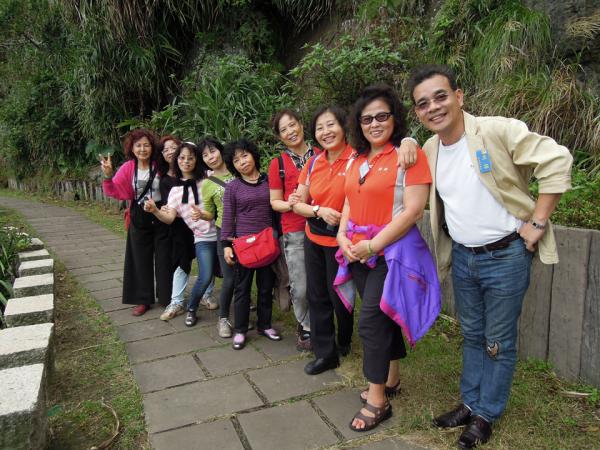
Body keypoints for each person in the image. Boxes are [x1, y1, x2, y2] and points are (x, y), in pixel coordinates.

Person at [408, 64, 573, 449]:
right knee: (471, 334)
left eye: (440, 97)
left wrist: (538, 221)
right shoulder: (430, 148)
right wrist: (407, 142)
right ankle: (470, 403)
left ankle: (486, 414)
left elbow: (557, 159)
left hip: (506, 256)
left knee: (497, 340)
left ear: (459, 96)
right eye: (423, 103)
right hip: (463, 257)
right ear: (417, 112)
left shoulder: (496, 130)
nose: (433, 107)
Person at [337, 84, 438, 432]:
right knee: (385, 315)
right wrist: (342, 236)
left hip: (391, 253)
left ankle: (378, 400)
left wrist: (373, 245)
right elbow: (348, 201)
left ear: (395, 118)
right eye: (367, 119)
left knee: (370, 323)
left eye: (382, 116)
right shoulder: (357, 158)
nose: (375, 124)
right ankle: (392, 379)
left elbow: (413, 211)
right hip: (358, 251)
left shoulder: (408, 155)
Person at [288, 105, 355, 373]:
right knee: (317, 296)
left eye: (331, 125)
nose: (325, 132)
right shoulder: (314, 162)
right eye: (319, 128)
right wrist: (319, 210)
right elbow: (298, 204)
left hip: (342, 242)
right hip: (314, 237)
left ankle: (345, 339)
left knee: (341, 297)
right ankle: (325, 353)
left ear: (344, 126)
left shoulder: (357, 159)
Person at [144, 142, 217, 327]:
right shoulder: (175, 191)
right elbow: (169, 218)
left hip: (222, 232)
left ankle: (217, 299)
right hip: (200, 237)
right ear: (176, 160)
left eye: (190, 158)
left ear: (197, 160)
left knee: (231, 272)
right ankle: (182, 304)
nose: (186, 161)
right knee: (199, 270)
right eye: (182, 158)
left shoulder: (208, 178)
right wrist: (155, 210)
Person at [100, 129, 171, 315]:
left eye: (146, 145)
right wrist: (108, 175)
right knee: (139, 259)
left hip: (161, 214)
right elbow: (114, 190)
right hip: (139, 216)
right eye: (138, 145)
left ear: (152, 147)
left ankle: (167, 298)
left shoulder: (159, 165)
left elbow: (173, 182)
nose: (142, 149)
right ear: (132, 148)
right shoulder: (128, 168)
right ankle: (143, 299)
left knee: (164, 258)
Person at [221, 138, 281, 350]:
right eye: (236, 160)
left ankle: (265, 325)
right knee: (242, 289)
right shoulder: (233, 187)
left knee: (266, 288)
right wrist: (226, 245)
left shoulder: (269, 181)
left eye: (245, 156)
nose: (242, 162)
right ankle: (240, 329)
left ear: (253, 155)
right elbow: (227, 217)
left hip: (267, 243)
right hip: (244, 247)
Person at [267, 109, 316, 351]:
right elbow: (274, 202)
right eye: (284, 129)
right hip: (295, 229)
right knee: (302, 284)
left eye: (292, 125)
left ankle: (323, 325)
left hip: (324, 226)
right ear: (279, 136)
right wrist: (292, 204)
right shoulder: (278, 164)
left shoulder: (322, 154)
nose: (290, 131)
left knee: (324, 282)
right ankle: (305, 326)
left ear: (301, 125)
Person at [198, 137, 236, 337]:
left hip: (248, 230)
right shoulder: (207, 184)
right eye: (205, 155)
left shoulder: (238, 169)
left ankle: (242, 317)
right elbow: (210, 213)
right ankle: (223, 319)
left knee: (244, 277)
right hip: (225, 232)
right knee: (229, 278)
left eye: (212, 151)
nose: (210, 157)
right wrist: (201, 214)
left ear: (221, 150)